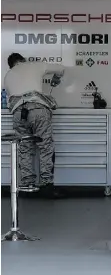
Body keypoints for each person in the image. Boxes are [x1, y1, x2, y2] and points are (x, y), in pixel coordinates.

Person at [3, 53, 65, 199]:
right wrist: (57, 77)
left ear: (11, 65)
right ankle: (46, 186)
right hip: (38, 109)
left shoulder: (8, 75)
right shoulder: (35, 65)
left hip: (19, 113)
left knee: (25, 148)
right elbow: (61, 69)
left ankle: (27, 185)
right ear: (23, 60)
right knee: (45, 146)